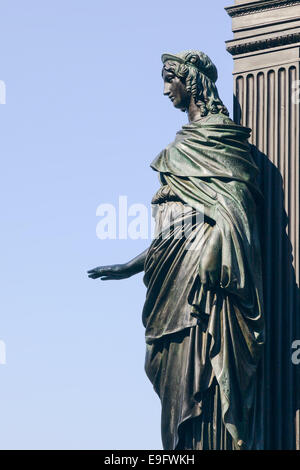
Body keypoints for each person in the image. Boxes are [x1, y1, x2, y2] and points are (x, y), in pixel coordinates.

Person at [87, 50, 265, 450]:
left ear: (192, 80)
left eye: (171, 78)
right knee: (166, 364)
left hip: (206, 271)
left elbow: (235, 203)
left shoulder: (222, 137)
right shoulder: (178, 147)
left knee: (200, 361)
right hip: (168, 273)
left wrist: (216, 250)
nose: (166, 88)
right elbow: (171, 224)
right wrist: (131, 266)